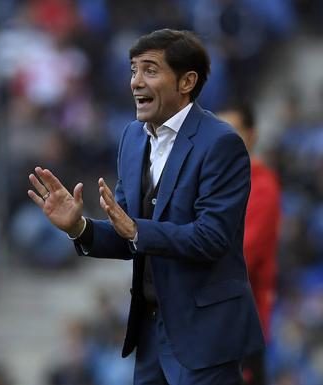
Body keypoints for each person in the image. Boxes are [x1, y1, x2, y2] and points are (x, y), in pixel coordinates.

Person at [28, 29, 264, 385]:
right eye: (133, 70)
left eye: (150, 70)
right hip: (151, 336)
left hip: (206, 338)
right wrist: (80, 227)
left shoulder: (222, 143)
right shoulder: (131, 138)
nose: (136, 82)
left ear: (187, 81)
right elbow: (126, 233)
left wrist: (138, 231)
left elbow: (212, 237)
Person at [218, 105, 281, 385]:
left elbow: (243, 255)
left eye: (232, 131)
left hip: (241, 324)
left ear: (252, 135)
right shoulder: (211, 184)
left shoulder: (263, 186)